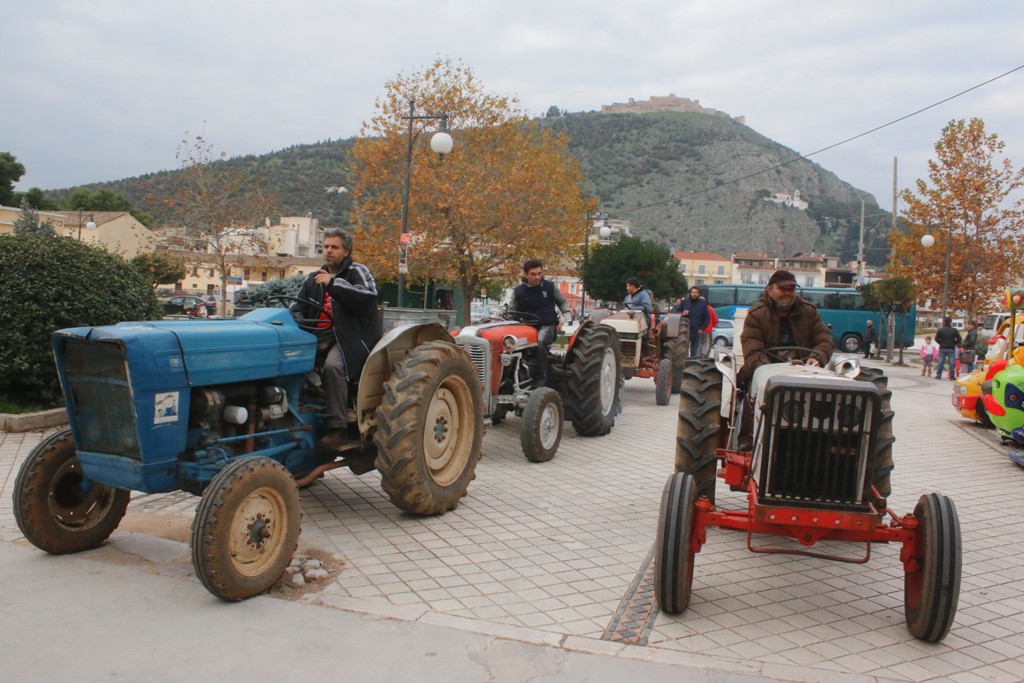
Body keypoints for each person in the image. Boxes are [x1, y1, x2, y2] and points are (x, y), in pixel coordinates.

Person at [293, 228, 381, 450]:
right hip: (316, 336)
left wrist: (333, 284)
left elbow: (368, 298)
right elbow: (298, 306)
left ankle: (337, 428)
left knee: (333, 366)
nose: (329, 251)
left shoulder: (357, 272)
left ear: (346, 251)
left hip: (348, 338)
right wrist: (298, 318)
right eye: (326, 246)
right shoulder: (313, 279)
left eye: (335, 247)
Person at [739, 269, 834, 385]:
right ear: (769, 291)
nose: (787, 293)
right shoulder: (756, 314)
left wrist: (817, 358)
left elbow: (824, 339)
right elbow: (752, 347)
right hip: (766, 371)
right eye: (782, 289)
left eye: (791, 289)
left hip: (804, 371)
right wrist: (765, 369)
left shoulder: (808, 312)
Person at [508, 259, 568, 387]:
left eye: (539, 274)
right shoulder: (518, 291)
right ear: (526, 275)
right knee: (507, 342)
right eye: (533, 274)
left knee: (540, 340)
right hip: (526, 327)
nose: (537, 277)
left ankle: (541, 379)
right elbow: (512, 312)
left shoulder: (550, 287)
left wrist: (566, 311)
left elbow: (562, 302)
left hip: (547, 326)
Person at [673, 286, 710, 357]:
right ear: (690, 293)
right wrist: (682, 313)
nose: (694, 294)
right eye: (693, 292)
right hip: (685, 331)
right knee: (682, 350)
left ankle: (692, 365)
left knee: (694, 352)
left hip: (697, 331)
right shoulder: (684, 302)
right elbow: (677, 313)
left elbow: (707, 317)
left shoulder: (702, 303)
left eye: (696, 293)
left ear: (698, 294)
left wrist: (702, 328)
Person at [934, 316, 962, 381]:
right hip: (951, 348)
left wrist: (940, 343)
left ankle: (938, 375)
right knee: (952, 363)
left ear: (944, 322)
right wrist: (954, 343)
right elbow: (959, 339)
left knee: (940, 362)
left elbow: (936, 338)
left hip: (942, 348)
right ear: (950, 322)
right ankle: (952, 376)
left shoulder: (940, 330)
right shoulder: (954, 330)